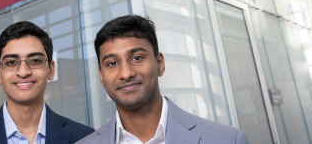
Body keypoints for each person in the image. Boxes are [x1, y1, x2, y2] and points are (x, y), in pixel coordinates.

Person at [76, 15, 249, 144]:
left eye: (137, 58)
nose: (126, 73)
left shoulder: (228, 140)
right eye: (112, 63)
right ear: (101, 76)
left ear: (159, 63)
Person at [0, 21, 94, 144]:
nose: (23, 72)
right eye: (11, 62)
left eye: (35, 61)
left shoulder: (87, 138)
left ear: (51, 70)